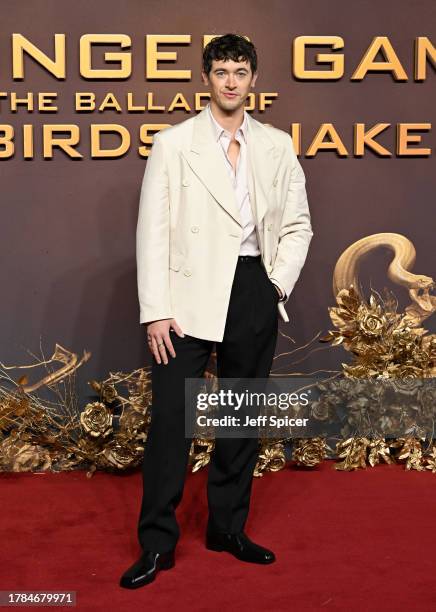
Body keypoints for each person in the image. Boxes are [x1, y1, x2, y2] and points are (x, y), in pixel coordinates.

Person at [120, 32, 313, 589]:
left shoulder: (277, 145)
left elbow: (298, 224)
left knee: (240, 419)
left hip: (253, 286)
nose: (231, 81)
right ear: (206, 79)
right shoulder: (174, 143)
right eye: (221, 71)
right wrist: (155, 310)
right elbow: (151, 232)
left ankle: (228, 528)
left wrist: (275, 286)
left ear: (254, 80)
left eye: (240, 71)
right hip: (186, 296)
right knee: (171, 426)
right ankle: (157, 545)